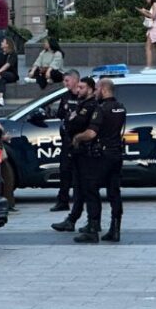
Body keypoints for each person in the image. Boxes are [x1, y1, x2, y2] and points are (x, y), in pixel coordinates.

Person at [70, 78, 127, 244]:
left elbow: (91, 133)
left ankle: (93, 229)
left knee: (91, 189)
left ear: (103, 89)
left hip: (101, 155)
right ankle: (115, 230)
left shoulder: (101, 109)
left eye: (96, 89)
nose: (95, 92)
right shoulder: (120, 107)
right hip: (116, 154)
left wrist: (78, 137)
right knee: (114, 192)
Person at [50, 77, 98, 233]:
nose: (78, 90)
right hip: (77, 151)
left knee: (86, 189)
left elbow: (75, 123)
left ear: (90, 89)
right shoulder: (81, 103)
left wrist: (72, 120)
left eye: (82, 87)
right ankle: (75, 220)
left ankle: (91, 222)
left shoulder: (90, 105)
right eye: (78, 87)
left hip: (86, 152)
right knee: (80, 188)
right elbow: (67, 121)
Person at [50, 70, 81, 212]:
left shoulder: (84, 95)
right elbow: (61, 114)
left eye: (67, 80)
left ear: (75, 80)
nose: (65, 83)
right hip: (67, 140)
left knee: (79, 173)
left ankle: (78, 201)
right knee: (64, 171)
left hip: (81, 141)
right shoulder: (65, 96)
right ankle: (62, 201)